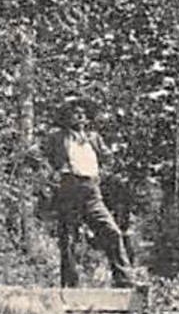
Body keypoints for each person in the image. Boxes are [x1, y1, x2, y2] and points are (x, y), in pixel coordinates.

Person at [53, 109, 134, 289]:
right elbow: (34, 153)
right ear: (66, 117)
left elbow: (108, 158)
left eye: (83, 113)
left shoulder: (93, 138)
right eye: (75, 113)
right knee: (68, 238)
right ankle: (70, 286)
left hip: (91, 191)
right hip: (69, 190)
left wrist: (100, 176)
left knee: (112, 232)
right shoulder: (58, 138)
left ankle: (124, 280)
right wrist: (54, 172)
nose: (81, 116)